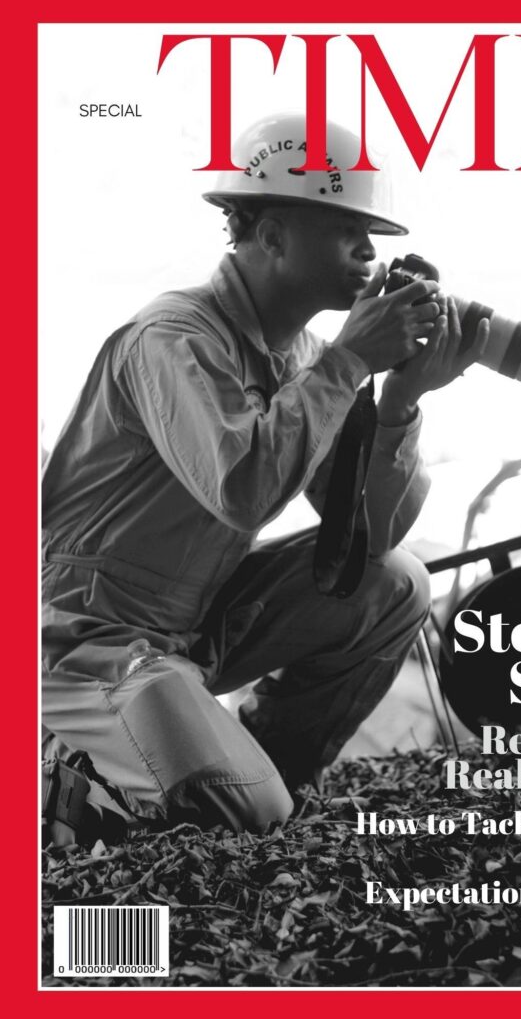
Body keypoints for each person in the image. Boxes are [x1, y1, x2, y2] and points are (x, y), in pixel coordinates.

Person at [41, 113, 488, 835]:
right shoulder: (173, 338)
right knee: (229, 807)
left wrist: (399, 401)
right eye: (347, 229)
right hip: (80, 639)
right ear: (273, 235)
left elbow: (365, 543)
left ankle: (270, 783)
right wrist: (348, 365)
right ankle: (61, 772)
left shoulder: (310, 358)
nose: (369, 253)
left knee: (395, 582)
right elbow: (241, 488)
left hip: (190, 626)